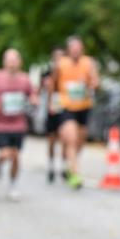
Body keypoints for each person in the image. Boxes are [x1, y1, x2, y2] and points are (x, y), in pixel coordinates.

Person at [0, 48, 37, 201]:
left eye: (15, 60)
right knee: (5, 153)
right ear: (4, 62)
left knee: (16, 156)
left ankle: (13, 184)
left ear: (19, 62)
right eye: (9, 60)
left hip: (19, 124)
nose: (12, 63)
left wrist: (33, 99)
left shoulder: (25, 79)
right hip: (0, 124)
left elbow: (32, 94)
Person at [49, 36, 98, 189]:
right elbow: (53, 83)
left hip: (83, 106)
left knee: (79, 142)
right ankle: (75, 174)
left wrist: (91, 84)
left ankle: (69, 164)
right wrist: (52, 102)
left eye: (78, 48)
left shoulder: (89, 62)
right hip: (66, 106)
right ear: (69, 50)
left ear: (82, 49)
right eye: (73, 48)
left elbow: (96, 82)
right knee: (71, 138)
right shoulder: (61, 64)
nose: (76, 50)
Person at [41, 47, 65, 183]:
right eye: (57, 57)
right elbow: (41, 89)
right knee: (51, 140)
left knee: (65, 139)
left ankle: (63, 167)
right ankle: (51, 166)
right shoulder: (47, 73)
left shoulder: (68, 72)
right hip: (52, 109)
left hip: (65, 108)